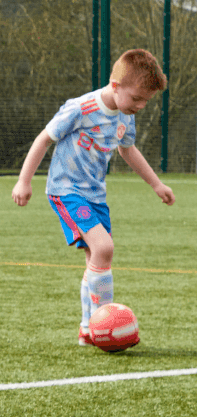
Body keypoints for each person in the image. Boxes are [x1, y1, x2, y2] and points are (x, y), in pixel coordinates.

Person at [11, 48, 173, 345]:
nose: (140, 106)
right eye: (136, 98)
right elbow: (43, 139)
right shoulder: (81, 108)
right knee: (104, 247)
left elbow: (128, 150)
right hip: (66, 191)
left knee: (96, 258)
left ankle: (88, 329)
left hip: (96, 196)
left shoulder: (126, 114)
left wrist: (156, 184)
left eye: (145, 101)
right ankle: (105, 328)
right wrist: (24, 181)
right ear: (115, 86)